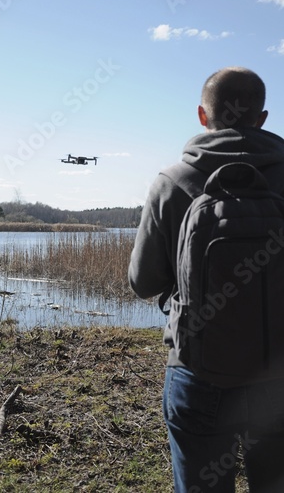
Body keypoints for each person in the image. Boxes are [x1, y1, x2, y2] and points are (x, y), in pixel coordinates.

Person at [128, 67, 284, 493]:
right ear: (263, 117)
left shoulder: (172, 182)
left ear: (202, 115)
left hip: (200, 373)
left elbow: (142, 282)